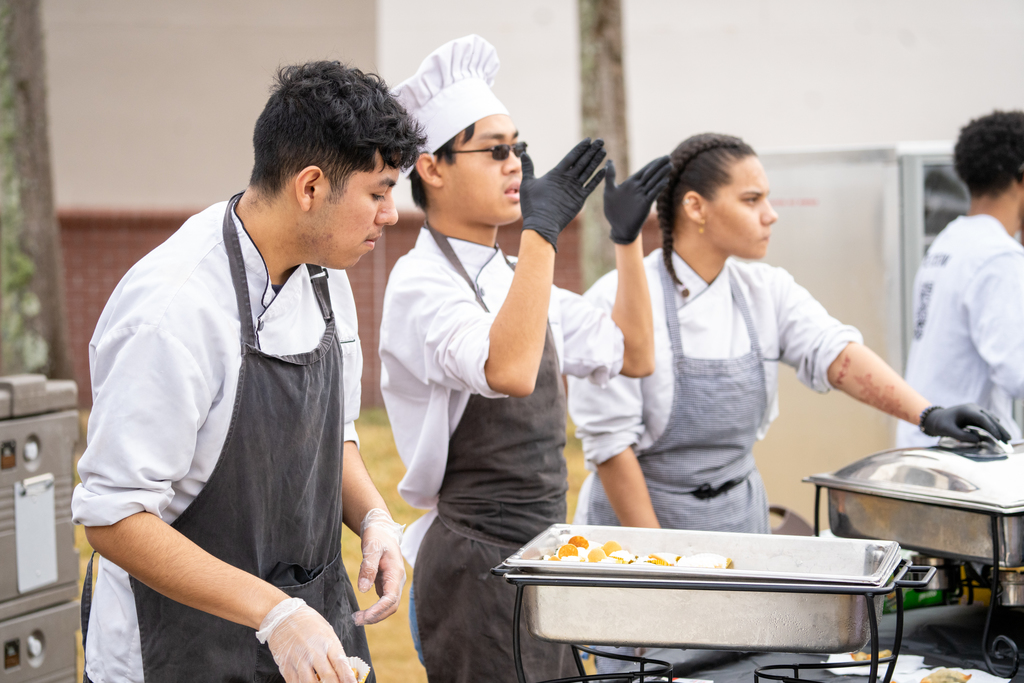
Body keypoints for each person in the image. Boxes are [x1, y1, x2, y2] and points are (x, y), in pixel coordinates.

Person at [568, 132, 1012, 675]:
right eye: (752, 199)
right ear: (696, 208)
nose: (771, 214)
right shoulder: (617, 301)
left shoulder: (764, 291)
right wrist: (667, 577)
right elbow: (611, 450)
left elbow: (836, 354)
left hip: (739, 528)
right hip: (643, 540)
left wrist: (928, 414)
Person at [71, 62, 423, 683]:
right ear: (310, 187)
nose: (391, 214)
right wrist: (274, 613)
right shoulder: (173, 310)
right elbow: (114, 518)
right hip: (178, 651)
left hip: (306, 631)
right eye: (378, 192)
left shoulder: (325, 278)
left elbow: (333, 435)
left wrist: (374, 519)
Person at [379, 35, 664, 683]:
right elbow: (506, 370)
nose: (516, 166)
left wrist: (625, 242)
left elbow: (634, 354)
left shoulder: (516, 273)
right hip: (475, 563)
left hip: (544, 552)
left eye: (519, 148)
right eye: (495, 150)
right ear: (431, 167)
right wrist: (542, 232)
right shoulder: (420, 283)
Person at [896, 111, 1024, 447]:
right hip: (963, 450)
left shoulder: (950, 241)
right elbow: (1017, 374)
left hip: (923, 440)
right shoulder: (999, 256)